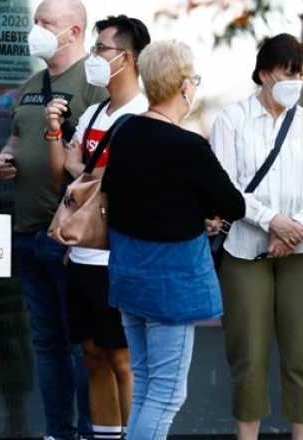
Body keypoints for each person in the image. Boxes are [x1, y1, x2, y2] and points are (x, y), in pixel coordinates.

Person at [101, 39, 245, 440]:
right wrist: (207, 213)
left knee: (146, 383)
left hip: (129, 274)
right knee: (166, 394)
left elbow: (133, 197)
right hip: (172, 283)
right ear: (184, 86)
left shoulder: (124, 131)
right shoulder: (189, 147)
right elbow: (232, 204)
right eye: (193, 79)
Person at [210, 34, 303, 440]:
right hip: (246, 253)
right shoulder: (231, 120)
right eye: (288, 74)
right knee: (248, 356)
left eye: (301, 75)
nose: (295, 83)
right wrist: (272, 222)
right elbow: (225, 187)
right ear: (265, 74)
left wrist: (295, 227)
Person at [0, 0, 106, 436]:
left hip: (69, 237)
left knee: (84, 345)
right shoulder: (31, 83)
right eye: (36, 22)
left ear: (74, 31)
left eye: (47, 23)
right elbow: (15, 137)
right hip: (27, 231)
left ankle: (90, 430)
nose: (37, 30)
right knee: (46, 344)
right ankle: (58, 431)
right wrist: (6, 158)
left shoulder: (93, 84)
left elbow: (101, 161)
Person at [44, 14, 149, 440]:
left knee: (123, 357)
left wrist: (85, 172)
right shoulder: (92, 113)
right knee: (91, 352)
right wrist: (54, 134)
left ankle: (137, 434)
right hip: (81, 253)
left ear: (128, 58)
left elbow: (120, 180)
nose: (94, 57)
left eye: (102, 49)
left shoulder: (144, 115)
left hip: (119, 257)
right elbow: (64, 174)